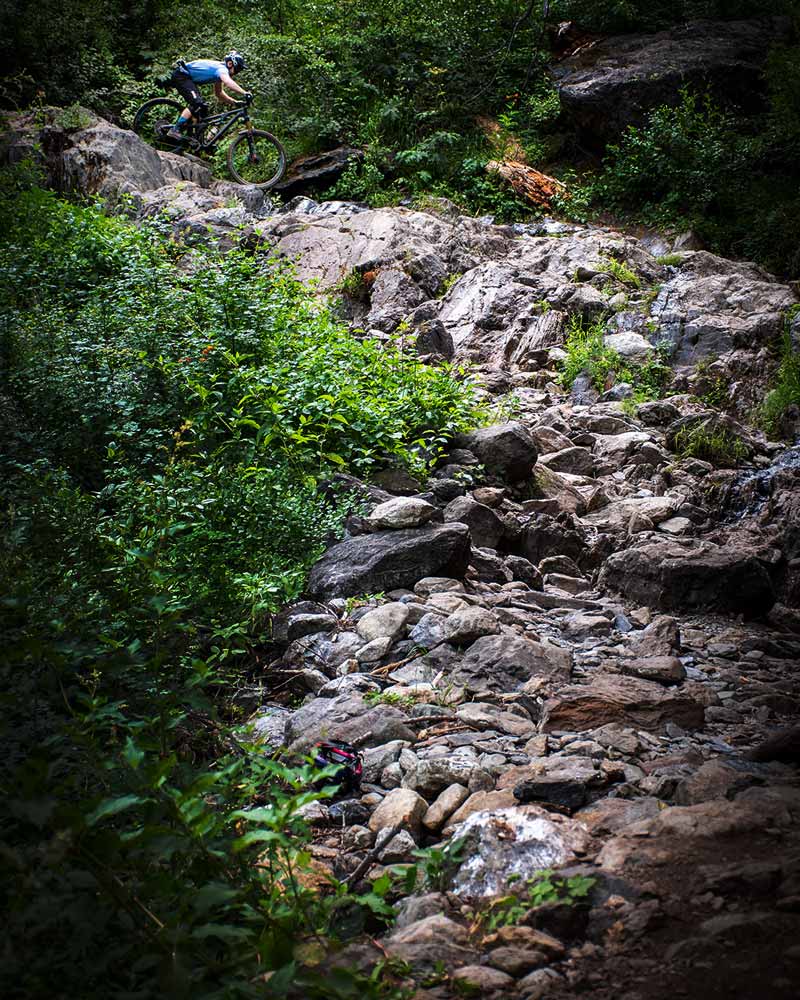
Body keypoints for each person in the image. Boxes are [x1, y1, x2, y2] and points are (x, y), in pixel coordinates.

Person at [166, 51, 251, 141]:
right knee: (197, 103)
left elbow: (219, 93)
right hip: (182, 76)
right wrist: (244, 93)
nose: (236, 73)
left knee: (203, 109)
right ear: (230, 64)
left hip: (187, 78)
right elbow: (228, 82)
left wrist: (234, 102)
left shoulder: (219, 73)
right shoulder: (222, 69)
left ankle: (195, 138)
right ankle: (175, 129)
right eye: (237, 69)